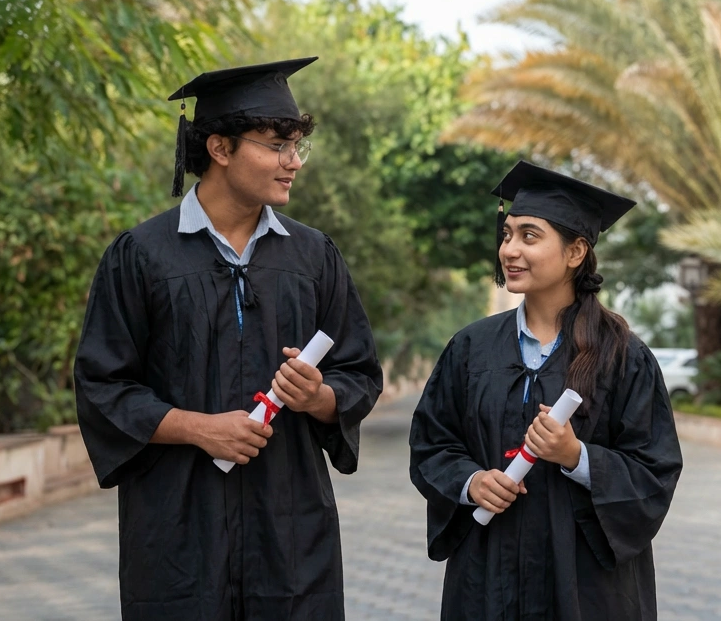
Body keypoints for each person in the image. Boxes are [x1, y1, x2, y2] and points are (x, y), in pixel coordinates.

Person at [75, 57, 383, 621]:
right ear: (220, 148)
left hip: (289, 524)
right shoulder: (142, 256)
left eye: (297, 148)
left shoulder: (313, 257)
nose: (293, 163)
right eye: (276, 145)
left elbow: (359, 371)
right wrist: (199, 428)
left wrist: (319, 397)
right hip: (178, 524)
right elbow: (103, 384)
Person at [409, 160, 682, 620]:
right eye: (508, 234)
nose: (510, 250)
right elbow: (432, 443)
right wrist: (471, 482)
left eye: (529, 236)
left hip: (586, 588)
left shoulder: (622, 356)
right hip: (487, 576)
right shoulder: (471, 348)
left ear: (575, 252)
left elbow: (654, 472)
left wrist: (577, 456)